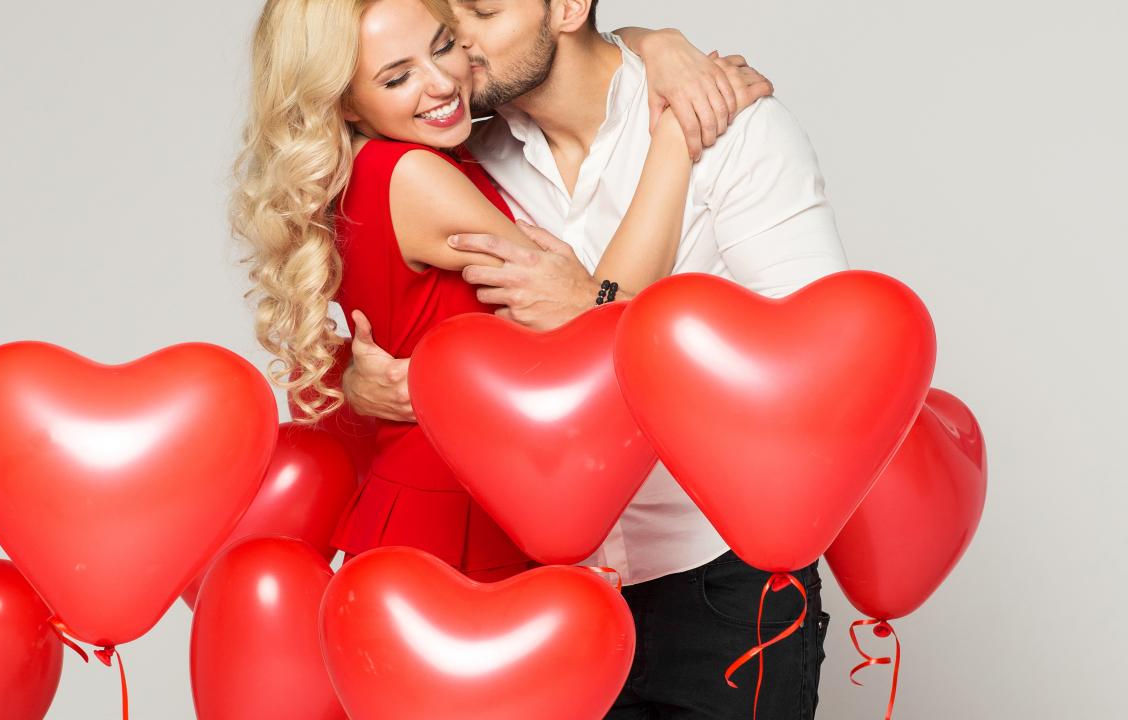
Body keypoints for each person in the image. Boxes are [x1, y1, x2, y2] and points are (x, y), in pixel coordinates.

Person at [341, 1, 848, 717]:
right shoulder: (467, 152)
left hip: (719, 576)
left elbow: (818, 373)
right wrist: (358, 380)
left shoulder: (731, 127)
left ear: (569, 6)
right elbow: (398, 303)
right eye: (449, 24)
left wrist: (595, 307)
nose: (459, 49)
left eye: (481, 13)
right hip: (547, 594)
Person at [229, 0, 770, 583]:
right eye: (397, 77)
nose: (442, 84)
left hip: (462, 492)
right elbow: (595, 318)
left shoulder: (389, 162)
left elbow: (569, 44)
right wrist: (675, 135)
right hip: (454, 512)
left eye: (442, 47)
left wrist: (657, 42)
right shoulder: (413, 177)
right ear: (344, 102)